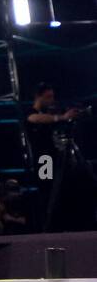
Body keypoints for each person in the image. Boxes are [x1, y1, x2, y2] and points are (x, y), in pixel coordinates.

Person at [25, 82, 97, 231]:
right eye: (48, 97)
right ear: (38, 97)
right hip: (44, 160)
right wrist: (62, 117)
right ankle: (47, 225)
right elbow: (33, 118)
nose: (51, 100)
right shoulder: (33, 114)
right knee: (47, 192)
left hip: (55, 158)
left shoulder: (49, 115)